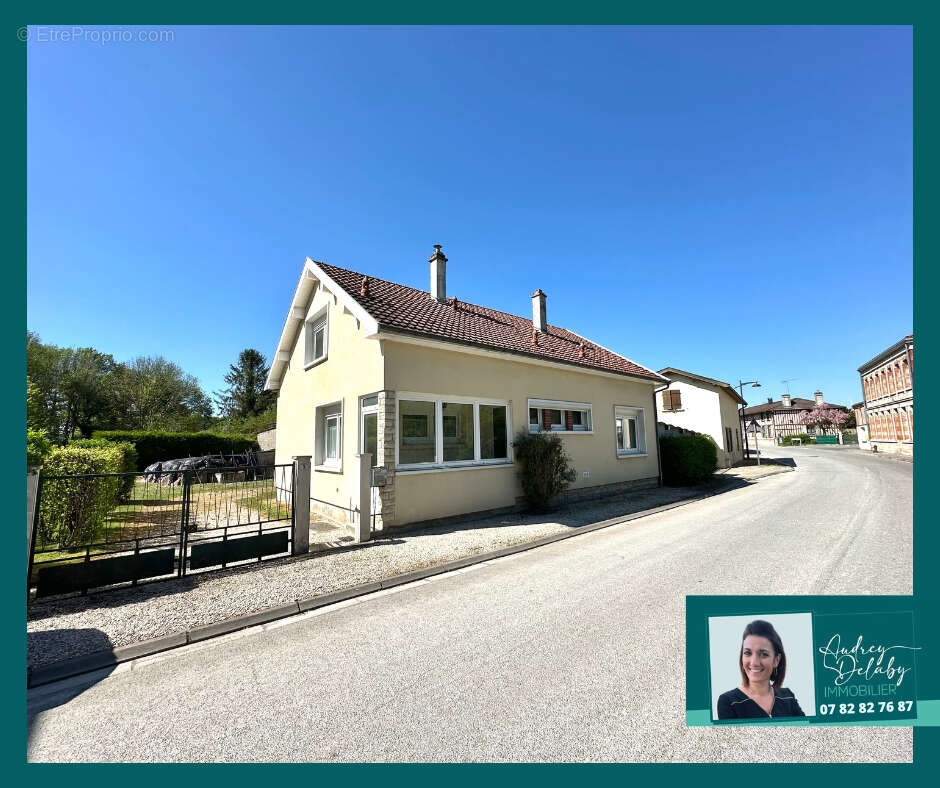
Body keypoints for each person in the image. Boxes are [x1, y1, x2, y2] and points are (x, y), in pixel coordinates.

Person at [717, 619, 805, 719]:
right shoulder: (729, 702)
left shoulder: (788, 696)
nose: (754, 662)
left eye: (763, 654)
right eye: (748, 653)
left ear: (776, 660)